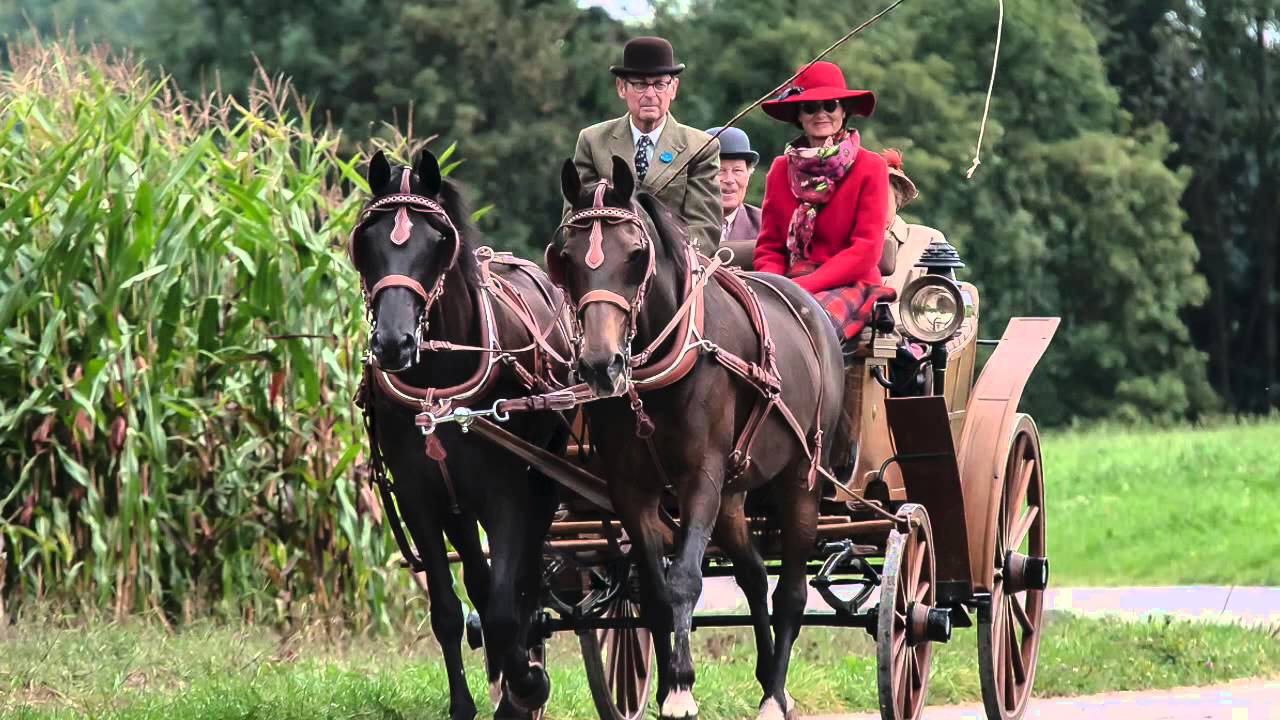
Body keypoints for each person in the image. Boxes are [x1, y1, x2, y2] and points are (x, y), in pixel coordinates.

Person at [753, 61, 894, 342]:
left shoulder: (870, 166)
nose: (821, 114)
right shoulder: (781, 169)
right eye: (810, 107)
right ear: (799, 115)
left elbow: (866, 250)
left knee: (807, 328)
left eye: (830, 105)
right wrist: (773, 285)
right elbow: (769, 247)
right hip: (790, 282)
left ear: (844, 111)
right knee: (749, 324)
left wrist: (805, 287)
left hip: (851, 283)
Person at [569, 36, 721, 256]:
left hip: (675, 273)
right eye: (640, 85)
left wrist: (662, 261)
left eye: (659, 84)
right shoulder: (592, 141)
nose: (650, 95)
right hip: (607, 266)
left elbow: (704, 229)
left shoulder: (701, 147)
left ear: (674, 88)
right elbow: (574, 219)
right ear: (622, 88)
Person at [705, 126, 762, 269]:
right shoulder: (679, 225)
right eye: (720, 171)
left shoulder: (766, 224)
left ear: (748, 177)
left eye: (737, 170)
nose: (729, 179)